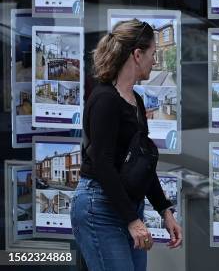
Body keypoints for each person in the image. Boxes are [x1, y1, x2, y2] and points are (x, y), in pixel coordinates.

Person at [71, 19, 182, 271]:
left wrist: (165, 211)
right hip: (98, 207)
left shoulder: (137, 101)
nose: (155, 61)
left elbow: (141, 164)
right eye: (153, 54)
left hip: (127, 206)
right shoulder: (105, 100)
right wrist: (132, 220)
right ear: (137, 54)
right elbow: (102, 163)